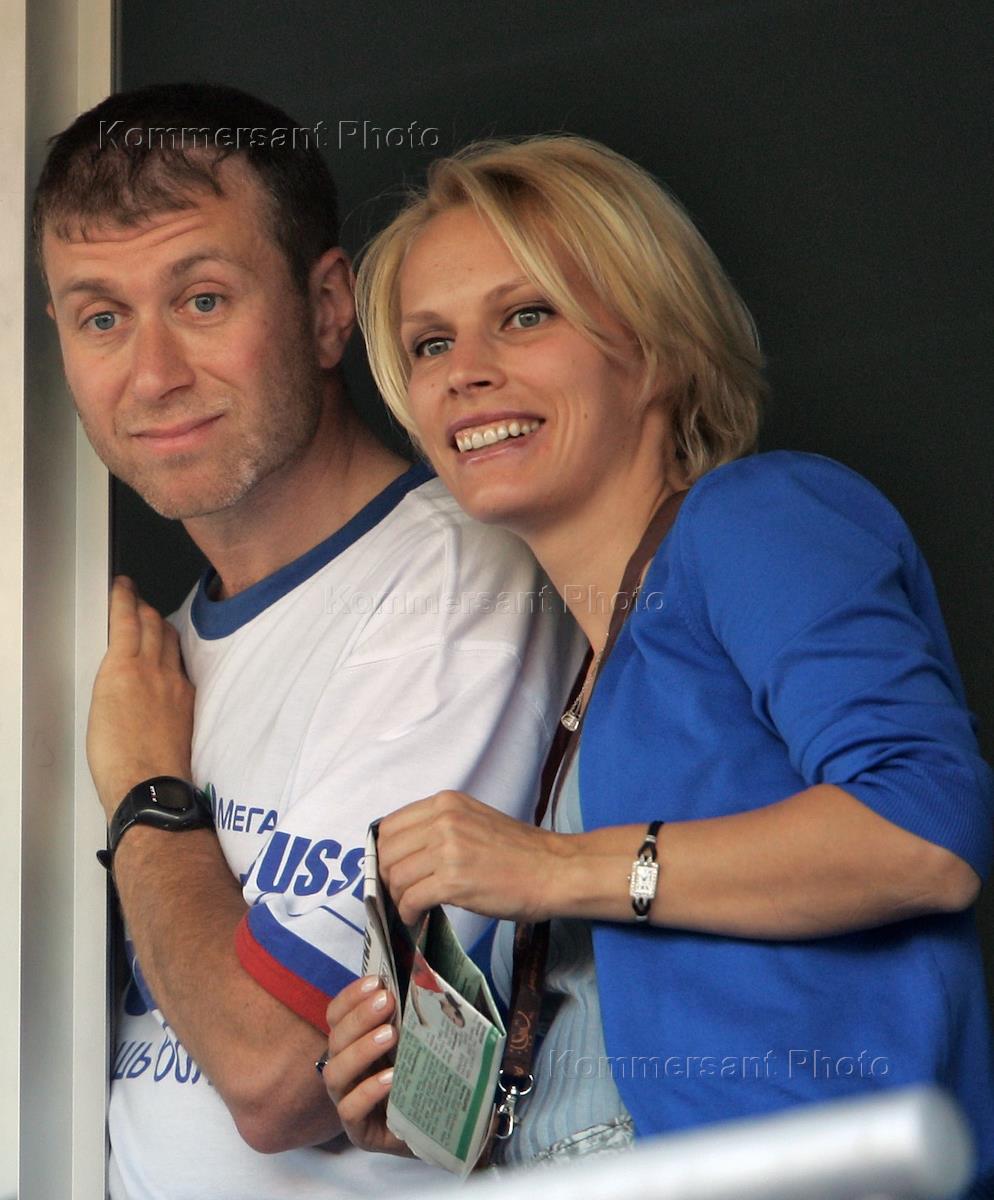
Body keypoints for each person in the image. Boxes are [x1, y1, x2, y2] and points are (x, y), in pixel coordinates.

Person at [323, 135, 994, 1187]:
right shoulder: (581, 685)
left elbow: (924, 832)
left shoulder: (756, 516)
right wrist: (432, 1105)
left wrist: (552, 868)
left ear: (661, 348)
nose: (464, 372)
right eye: (429, 344)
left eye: (525, 315)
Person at [35, 88, 579, 1200]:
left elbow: (278, 1072)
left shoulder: (454, 581)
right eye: (100, 318)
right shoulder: (147, 664)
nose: (151, 373)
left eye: (202, 299)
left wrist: (147, 795)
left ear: (329, 309)